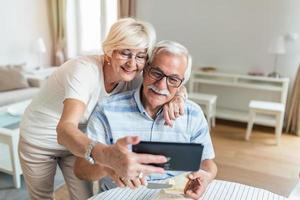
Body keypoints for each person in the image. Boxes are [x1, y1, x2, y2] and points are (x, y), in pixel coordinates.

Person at [19, 18, 186, 200]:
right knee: (41, 197)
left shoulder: (132, 77)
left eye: (140, 56)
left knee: (84, 196)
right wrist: (106, 155)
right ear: (109, 51)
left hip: (80, 141)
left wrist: (178, 96)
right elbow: (64, 128)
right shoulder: (83, 70)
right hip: (41, 139)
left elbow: (166, 83)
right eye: (125, 53)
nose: (132, 63)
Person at [74, 40, 217, 199]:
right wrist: (110, 164)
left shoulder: (193, 114)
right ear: (145, 69)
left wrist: (206, 176)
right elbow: (81, 170)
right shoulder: (107, 110)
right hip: (120, 194)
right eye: (156, 73)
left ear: (181, 84)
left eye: (173, 79)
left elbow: (208, 164)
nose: (162, 85)